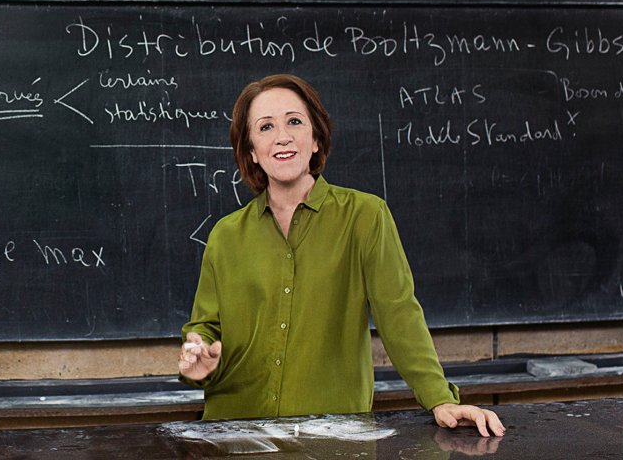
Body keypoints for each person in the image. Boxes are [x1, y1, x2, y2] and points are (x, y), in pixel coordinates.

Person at [178, 74, 505, 437]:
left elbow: (399, 314)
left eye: (295, 121)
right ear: (252, 150)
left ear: (316, 139)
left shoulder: (365, 216)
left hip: (332, 437)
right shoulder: (226, 235)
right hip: (235, 435)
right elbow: (205, 327)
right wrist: (199, 359)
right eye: (266, 126)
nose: (282, 135)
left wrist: (440, 398)